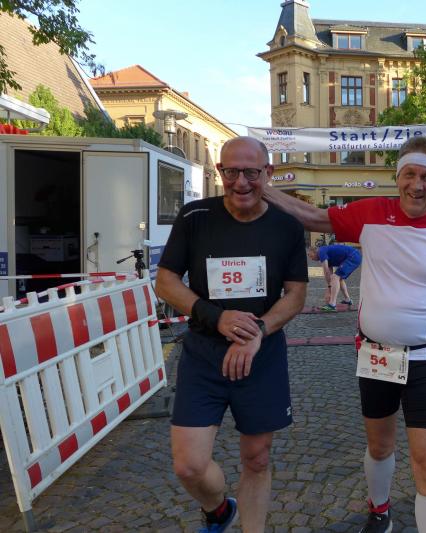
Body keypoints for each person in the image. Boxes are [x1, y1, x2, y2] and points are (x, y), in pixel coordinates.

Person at [263, 136, 426, 533]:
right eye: (409, 174)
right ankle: (380, 512)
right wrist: (262, 186)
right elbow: (313, 217)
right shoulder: (372, 212)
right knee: (379, 446)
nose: (417, 185)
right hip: (379, 355)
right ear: (398, 176)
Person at [155, 136, 308, 533]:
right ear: (220, 171)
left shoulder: (287, 227)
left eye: (251, 172)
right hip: (203, 353)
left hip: (262, 355)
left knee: (257, 458)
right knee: (189, 465)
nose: (241, 182)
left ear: (268, 173)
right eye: (231, 172)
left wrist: (259, 330)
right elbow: (166, 282)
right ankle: (220, 509)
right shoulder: (194, 217)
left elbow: (295, 295)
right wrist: (216, 317)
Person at [308, 243, 361, 310]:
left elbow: (326, 272)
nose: (311, 259)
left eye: (311, 255)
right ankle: (348, 300)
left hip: (353, 256)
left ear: (315, 251)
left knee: (335, 277)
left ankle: (332, 304)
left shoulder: (321, 252)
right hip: (354, 255)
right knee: (338, 278)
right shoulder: (324, 253)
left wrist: (329, 291)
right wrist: (329, 288)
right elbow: (329, 274)